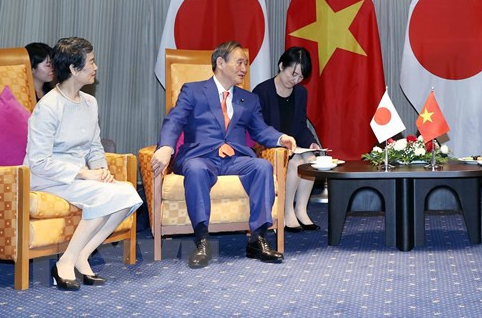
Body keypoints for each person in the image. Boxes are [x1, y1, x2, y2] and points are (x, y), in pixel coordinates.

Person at [150, 41, 297, 268]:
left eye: (246, 63)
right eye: (239, 62)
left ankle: (258, 239)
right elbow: (175, 120)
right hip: (200, 157)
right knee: (196, 169)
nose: (244, 68)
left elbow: (260, 130)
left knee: (262, 167)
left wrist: (280, 138)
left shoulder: (249, 99)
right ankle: (202, 240)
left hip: (235, 159)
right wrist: (166, 147)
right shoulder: (193, 90)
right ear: (220, 62)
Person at [25, 37, 142, 290]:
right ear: (73, 69)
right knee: (103, 198)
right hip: (49, 177)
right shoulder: (48, 107)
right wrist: (84, 174)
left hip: (80, 176)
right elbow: (39, 161)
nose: (96, 67)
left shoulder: (90, 102)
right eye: (91, 62)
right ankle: (65, 262)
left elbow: (94, 146)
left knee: (129, 194)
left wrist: (102, 171)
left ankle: (82, 254)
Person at [253, 47, 320, 233]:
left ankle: (301, 209)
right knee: (296, 160)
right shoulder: (262, 91)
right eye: (293, 74)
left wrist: (311, 142)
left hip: (292, 147)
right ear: (281, 65)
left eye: (301, 77)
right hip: (268, 147)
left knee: (311, 158)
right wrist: (281, 141)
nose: (296, 80)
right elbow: (258, 128)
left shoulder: (301, 93)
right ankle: (286, 209)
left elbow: (300, 126)